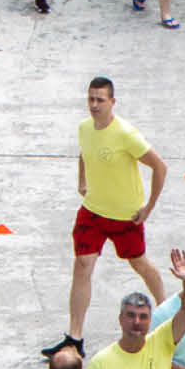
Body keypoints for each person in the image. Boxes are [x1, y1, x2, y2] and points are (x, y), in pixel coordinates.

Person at [61, 77, 170, 353]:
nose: (94, 105)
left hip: (125, 217)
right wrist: (81, 180)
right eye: (91, 99)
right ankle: (75, 336)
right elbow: (85, 153)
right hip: (92, 213)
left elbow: (159, 167)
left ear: (112, 102)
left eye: (100, 100)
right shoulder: (85, 128)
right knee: (82, 266)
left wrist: (148, 208)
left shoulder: (126, 134)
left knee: (140, 264)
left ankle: (168, 315)